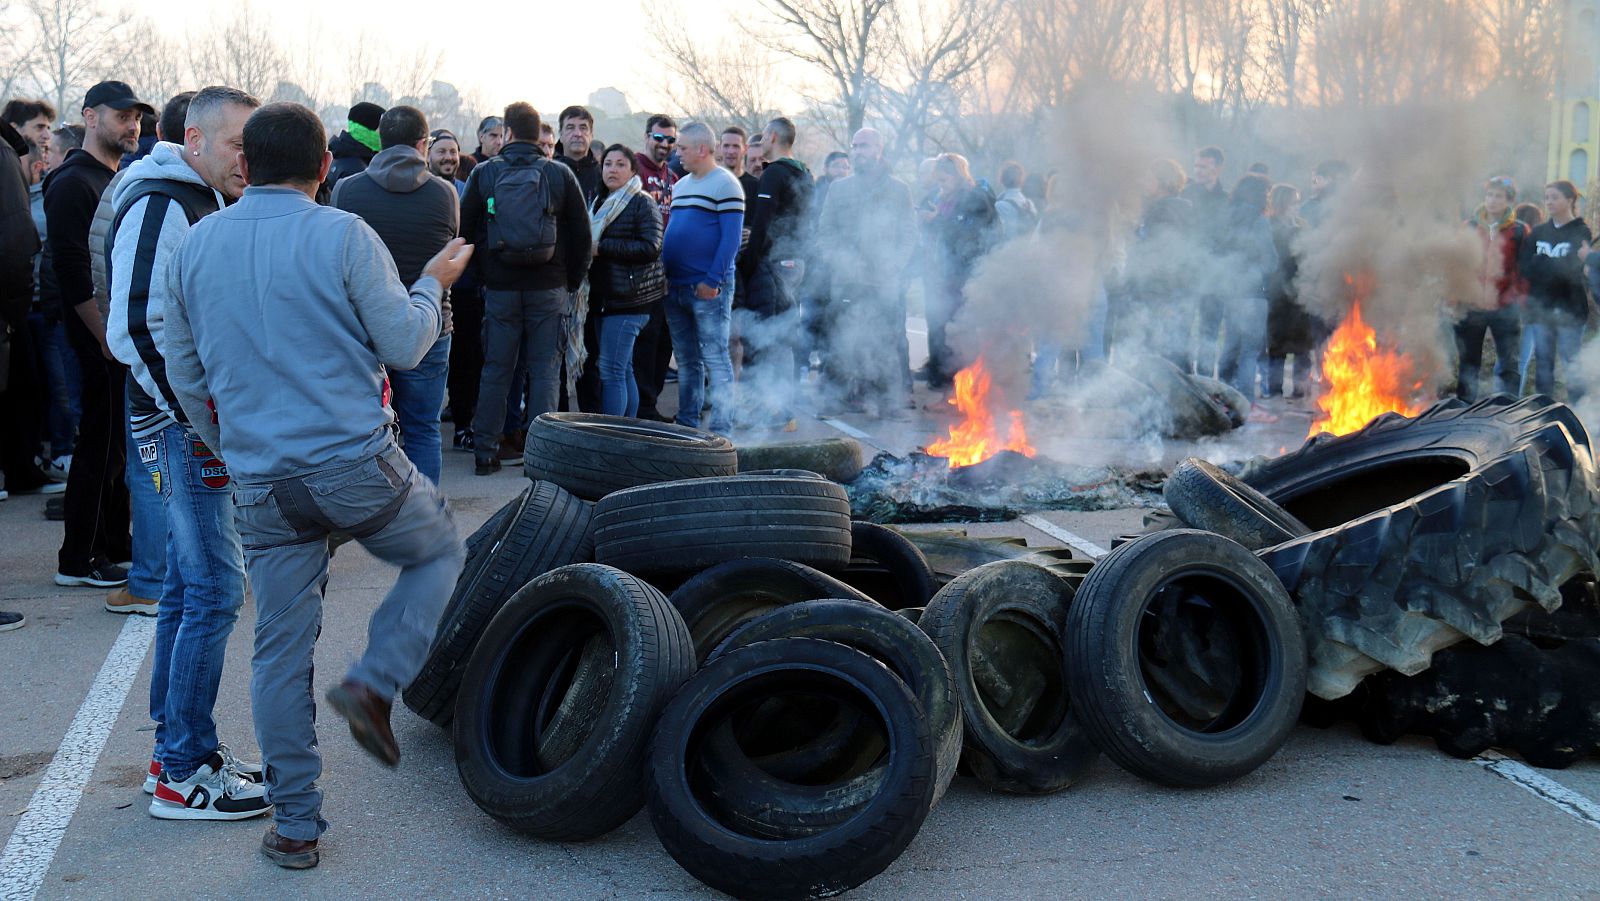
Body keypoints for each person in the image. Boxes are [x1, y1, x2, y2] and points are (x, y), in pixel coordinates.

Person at [160, 101, 471, 869]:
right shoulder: (342, 233)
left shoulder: (194, 248)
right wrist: (432, 283)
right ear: (326, 165)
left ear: (246, 164)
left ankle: (296, 824)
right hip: (355, 463)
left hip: (262, 480)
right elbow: (404, 344)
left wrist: (227, 446)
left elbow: (183, 369)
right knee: (437, 553)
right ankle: (372, 681)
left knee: (277, 652)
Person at [104, 84, 270, 820]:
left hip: (187, 422)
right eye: (239, 143)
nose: (249, 158)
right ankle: (183, 768)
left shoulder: (198, 198)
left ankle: (175, 748)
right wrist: (201, 422)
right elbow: (136, 327)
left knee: (186, 585)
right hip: (179, 425)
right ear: (195, 140)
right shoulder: (163, 201)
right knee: (213, 590)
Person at [92, 93, 195, 617]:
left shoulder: (172, 191)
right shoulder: (160, 198)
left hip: (171, 378)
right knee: (154, 475)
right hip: (161, 375)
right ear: (192, 138)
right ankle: (156, 578)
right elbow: (135, 313)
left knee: (158, 477)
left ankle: (158, 578)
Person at [49, 80, 150, 591]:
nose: (131, 125)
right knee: (99, 444)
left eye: (136, 116)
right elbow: (72, 271)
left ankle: (113, 542)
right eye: (120, 115)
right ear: (90, 117)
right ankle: (79, 556)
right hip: (95, 336)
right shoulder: (72, 182)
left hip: (112, 334)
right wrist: (103, 336)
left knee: (115, 445)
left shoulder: (115, 177)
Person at [460, 102, 591, 475]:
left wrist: (487, 276)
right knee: (545, 372)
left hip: (500, 288)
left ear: (509, 132)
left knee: (496, 370)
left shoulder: (484, 174)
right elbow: (581, 236)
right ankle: (541, 456)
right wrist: (570, 282)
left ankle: (485, 451)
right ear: (538, 135)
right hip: (549, 289)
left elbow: (466, 233)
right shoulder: (558, 174)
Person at [333, 105, 460, 486]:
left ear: (381, 141)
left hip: (365, 330)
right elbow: (450, 249)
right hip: (430, 324)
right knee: (423, 428)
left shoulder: (347, 190)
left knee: (369, 431)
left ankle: (376, 518)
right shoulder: (444, 194)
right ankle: (426, 526)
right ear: (423, 144)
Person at [817, 127, 917, 416]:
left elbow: (909, 234)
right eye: (855, 146)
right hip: (847, 282)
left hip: (886, 282)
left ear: (879, 149)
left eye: (865, 146)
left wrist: (895, 264)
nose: (858, 152)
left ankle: (890, 400)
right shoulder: (839, 188)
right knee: (841, 340)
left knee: (890, 340)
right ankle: (837, 397)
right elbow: (825, 233)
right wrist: (840, 261)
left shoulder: (899, 190)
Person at [661, 122, 743, 436]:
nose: (676, 152)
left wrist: (713, 280)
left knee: (715, 357)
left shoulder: (725, 184)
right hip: (676, 286)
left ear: (702, 149)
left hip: (708, 288)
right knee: (686, 359)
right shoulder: (680, 186)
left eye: (682, 147)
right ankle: (687, 422)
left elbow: (730, 240)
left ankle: (723, 427)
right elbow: (674, 231)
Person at [741, 116, 813, 429]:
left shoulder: (775, 173)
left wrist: (748, 262)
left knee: (766, 337)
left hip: (775, 264)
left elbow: (762, 224)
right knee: (784, 335)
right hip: (796, 261)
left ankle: (769, 411)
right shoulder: (805, 173)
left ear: (771, 136)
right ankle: (785, 411)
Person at [588, 144, 664, 416]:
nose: (613, 169)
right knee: (622, 368)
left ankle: (613, 436)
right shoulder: (599, 201)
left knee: (611, 371)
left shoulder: (641, 201)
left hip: (630, 300)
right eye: (608, 163)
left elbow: (651, 247)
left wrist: (603, 247)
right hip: (605, 298)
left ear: (633, 170)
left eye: (621, 164)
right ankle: (627, 429)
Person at [922, 152, 997, 389]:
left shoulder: (975, 198)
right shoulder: (943, 199)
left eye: (944, 180)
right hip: (941, 277)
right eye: (938, 181)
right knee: (943, 333)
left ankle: (961, 391)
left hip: (964, 279)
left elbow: (969, 237)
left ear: (958, 176)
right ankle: (946, 388)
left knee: (960, 336)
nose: (940, 186)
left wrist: (936, 221)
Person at [1454, 176, 1529, 402]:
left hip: (1505, 307)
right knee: (1468, 362)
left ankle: (1507, 408)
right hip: (1472, 305)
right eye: (1489, 195)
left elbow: (1525, 270)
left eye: (1499, 196)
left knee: (1509, 363)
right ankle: (1463, 409)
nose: (1493, 200)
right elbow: (1458, 264)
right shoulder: (1469, 226)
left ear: (1509, 201)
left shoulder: (1519, 230)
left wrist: (1518, 299)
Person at [1520, 179, 1592, 400]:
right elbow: (1524, 267)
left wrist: (1541, 262)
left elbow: (1572, 267)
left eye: (1555, 197)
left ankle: (1579, 415)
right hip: (1541, 309)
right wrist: (1548, 266)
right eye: (1547, 197)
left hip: (1570, 310)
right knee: (1543, 364)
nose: (1549, 202)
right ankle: (1544, 413)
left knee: (1572, 365)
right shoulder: (1539, 232)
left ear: (1569, 200)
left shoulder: (1581, 231)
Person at [1218, 173, 1279, 421]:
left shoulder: (1227, 216)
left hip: (1231, 292)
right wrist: (1260, 275)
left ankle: (1220, 398)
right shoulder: (1259, 220)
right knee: (1249, 352)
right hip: (1253, 294)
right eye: (1266, 192)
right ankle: (1246, 405)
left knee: (1230, 346)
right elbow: (1270, 259)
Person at [1121, 159, 1192, 366]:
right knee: (1166, 347)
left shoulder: (1165, 211)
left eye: (1148, 178)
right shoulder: (1160, 208)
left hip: (1158, 290)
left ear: (1163, 182)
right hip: (1159, 289)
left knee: (1161, 348)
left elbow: (1162, 254)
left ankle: (1176, 393)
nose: (1143, 182)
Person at [633, 115, 680, 422]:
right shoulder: (634, 169)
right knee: (644, 343)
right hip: (639, 274)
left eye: (670, 140)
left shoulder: (674, 178)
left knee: (664, 343)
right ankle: (640, 408)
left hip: (669, 274)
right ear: (647, 136)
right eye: (658, 138)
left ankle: (650, 403)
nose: (664, 144)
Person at [1181, 145, 1229, 376]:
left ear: (1218, 168)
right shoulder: (1185, 195)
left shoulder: (1227, 200)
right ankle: (1184, 377)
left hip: (1215, 277)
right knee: (1182, 329)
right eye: (1196, 166)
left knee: (1210, 332)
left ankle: (1207, 380)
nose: (1198, 171)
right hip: (1188, 275)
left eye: (1204, 167)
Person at [1265, 183, 1314, 401]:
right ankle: (1275, 389)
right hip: (1278, 294)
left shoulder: (1302, 227)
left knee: (1302, 346)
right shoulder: (1270, 227)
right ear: (1282, 203)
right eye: (1293, 201)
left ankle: (1300, 389)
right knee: (1277, 346)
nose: (1297, 206)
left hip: (1301, 293)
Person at [322, 102, 385, 195]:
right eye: (382, 128)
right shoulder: (355, 168)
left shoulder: (338, 152)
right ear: (367, 129)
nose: (385, 134)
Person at [555, 106, 599, 203]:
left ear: (591, 135)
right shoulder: (547, 173)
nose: (578, 134)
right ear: (561, 135)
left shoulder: (603, 175)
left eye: (583, 128)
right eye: (570, 128)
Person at [993, 161, 1038, 241]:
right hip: (1027, 248)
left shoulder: (999, 205)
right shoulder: (1029, 204)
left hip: (1007, 250)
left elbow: (999, 233)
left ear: (1002, 180)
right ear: (1021, 180)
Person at [1300, 159, 1348, 229]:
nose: (1313, 186)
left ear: (1329, 179)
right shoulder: (1307, 207)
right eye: (1313, 181)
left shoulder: (1346, 201)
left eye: (1316, 180)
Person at [426, 129, 466, 194]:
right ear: (427, 156)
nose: (448, 157)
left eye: (453, 152)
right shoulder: (417, 191)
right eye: (441, 151)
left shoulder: (467, 192)